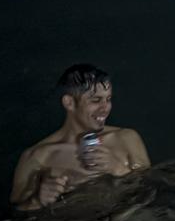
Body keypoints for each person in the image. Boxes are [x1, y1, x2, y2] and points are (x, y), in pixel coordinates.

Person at [9, 64, 151, 212]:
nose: (105, 108)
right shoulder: (38, 157)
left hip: (127, 219)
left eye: (108, 99)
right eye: (96, 100)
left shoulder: (126, 138)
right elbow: (16, 211)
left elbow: (151, 188)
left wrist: (118, 168)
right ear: (69, 103)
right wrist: (38, 200)